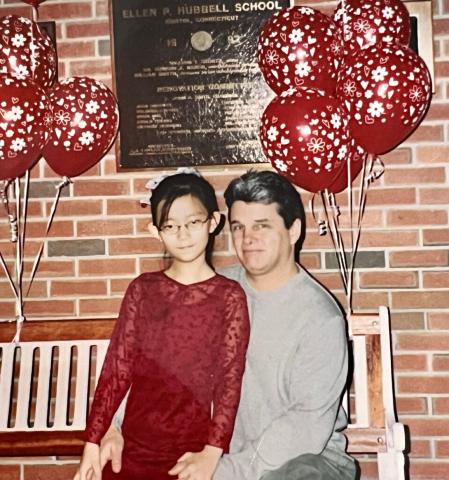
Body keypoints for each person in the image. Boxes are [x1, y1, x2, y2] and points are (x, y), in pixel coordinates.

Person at [96, 170, 357, 480]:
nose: (248, 239)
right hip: (216, 453)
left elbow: (306, 426)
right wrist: (114, 426)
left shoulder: (319, 317)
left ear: (294, 230)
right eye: (239, 227)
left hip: (302, 461)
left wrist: (226, 470)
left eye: (262, 226)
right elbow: (149, 362)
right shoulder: (214, 288)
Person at [74, 171, 250, 480]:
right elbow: (117, 369)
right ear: (156, 231)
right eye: (170, 226)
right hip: (134, 444)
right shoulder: (143, 290)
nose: (182, 235)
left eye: (192, 223)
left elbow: (228, 380)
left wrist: (212, 453)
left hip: (191, 453)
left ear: (213, 222)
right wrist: (93, 439)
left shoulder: (229, 296)